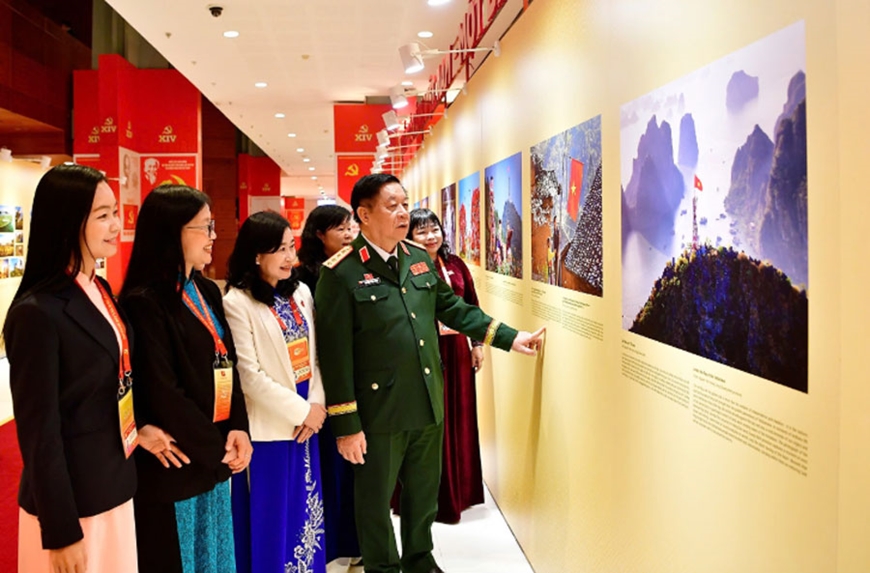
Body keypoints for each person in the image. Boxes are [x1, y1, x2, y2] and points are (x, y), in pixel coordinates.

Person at [315, 173, 545, 573]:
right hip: (378, 411)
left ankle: (420, 560)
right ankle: (383, 568)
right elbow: (335, 356)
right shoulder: (340, 273)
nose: (403, 213)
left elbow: (454, 309)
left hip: (426, 399)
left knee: (423, 495)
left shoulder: (418, 259)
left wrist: (510, 338)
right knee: (374, 501)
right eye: (392, 206)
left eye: (405, 204)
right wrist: (347, 426)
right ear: (364, 215)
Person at [4, 164, 181, 573]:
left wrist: (136, 431)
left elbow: (102, 387)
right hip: (73, 504)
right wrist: (60, 530)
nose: (116, 225)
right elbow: (39, 432)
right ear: (67, 222)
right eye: (103, 215)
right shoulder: (37, 313)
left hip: (114, 483)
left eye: (115, 212)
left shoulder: (98, 289)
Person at [120, 184, 253, 573]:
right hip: (178, 461)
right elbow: (163, 391)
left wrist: (238, 428)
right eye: (204, 227)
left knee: (215, 557)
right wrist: (216, 451)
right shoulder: (144, 301)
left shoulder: (206, 289)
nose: (213, 236)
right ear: (171, 232)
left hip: (212, 459)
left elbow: (228, 364)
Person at [223, 211, 327, 573]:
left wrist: (317, 407)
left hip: (308, 421)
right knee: (272, 519)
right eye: (279, 249)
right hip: (270, 426)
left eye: (291, 247)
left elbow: (315, 357)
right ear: (256, 254)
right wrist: (301, 411)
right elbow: (249, 375)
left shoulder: (301, 292)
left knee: (305, 512)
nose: (289, 257)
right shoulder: (237, 301)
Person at [405, 208, 486, 524]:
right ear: (410, 237)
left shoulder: (455, 265)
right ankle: (429, 497)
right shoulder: (406, 267)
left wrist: (477, 344)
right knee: (429, 421)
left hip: (457, 351)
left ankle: (460, 492)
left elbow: (471, 305)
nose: (430, 236)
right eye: (422, 231)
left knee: (459, 417)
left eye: (434, 229)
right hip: (423, 353)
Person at [296, 205, 362, 569]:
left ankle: (357, 544)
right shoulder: (303, 280)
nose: (349, 234)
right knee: (331, 469)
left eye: (351, 226)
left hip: (357, 379)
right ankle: (333, 547)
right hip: (321, 386)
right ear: (319, 235)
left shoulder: (358, 268)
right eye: (341, 228)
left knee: (357, 470)